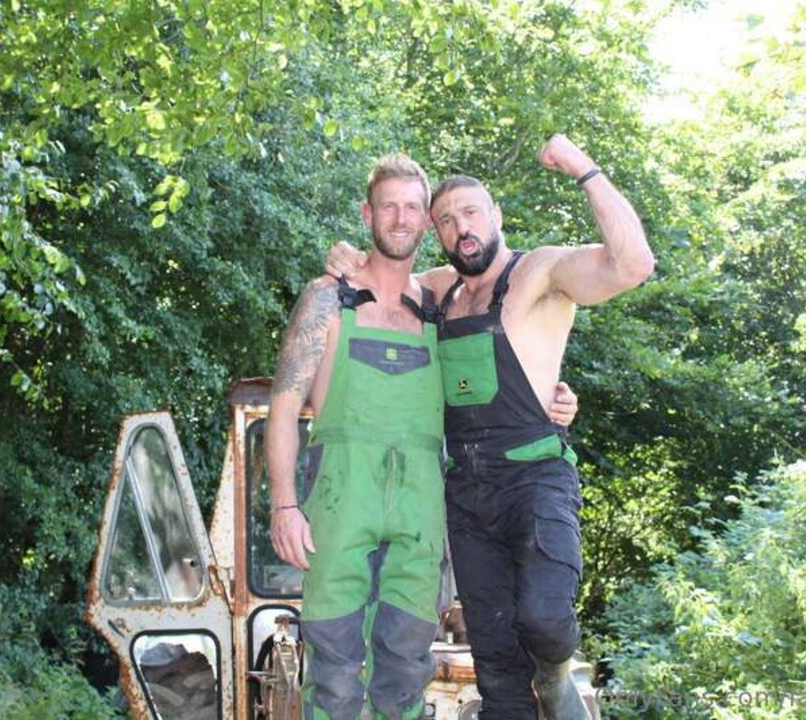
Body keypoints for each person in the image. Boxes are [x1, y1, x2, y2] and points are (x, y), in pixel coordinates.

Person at [326, 134, 654, 719]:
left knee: (546, 620)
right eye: (446, 221)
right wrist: (344, 256)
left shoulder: (541, 272)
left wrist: (583, 168)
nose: (462, 229)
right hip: (466, 494)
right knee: (498, 668)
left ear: (497, 215)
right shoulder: (435, 288)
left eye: (471, 213)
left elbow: (632, 265)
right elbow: (374, 272)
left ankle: (555, 677)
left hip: (535, 477)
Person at [264, 154, 580, 720]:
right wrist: (285, 505)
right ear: (368, 214)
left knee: (406, 670)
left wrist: (553, 399)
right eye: (389, 206)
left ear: (426, 224)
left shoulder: (439, 306)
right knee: (333, 672)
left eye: (412, 208)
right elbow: (284, 406)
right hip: (340, 504)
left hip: (420, 512)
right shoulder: (328, 298)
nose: (401, 218)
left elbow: (496, 369)